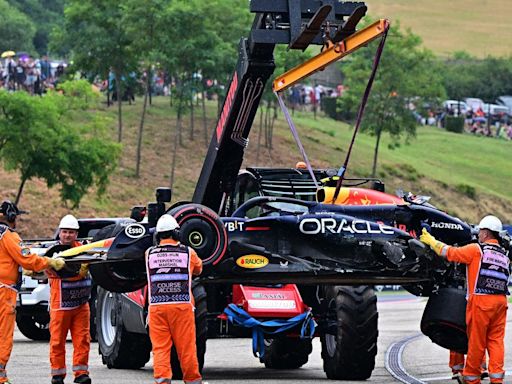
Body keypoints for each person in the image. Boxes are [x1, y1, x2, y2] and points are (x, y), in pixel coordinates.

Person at [420, 215, 509, 384]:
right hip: (501, 302)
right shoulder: (504, 255)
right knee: (496, 341)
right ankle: (497, 379)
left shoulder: (477, 250)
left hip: (481, 302)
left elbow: (450, 253)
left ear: (486, 233)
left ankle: (471, 378)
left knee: (476, 342)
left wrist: (431, 241)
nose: (479, 234)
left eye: (480, 231)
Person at [0, 200, 65, 384]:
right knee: (3, 336)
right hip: (3, 292)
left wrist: (19, 267)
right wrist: (49, 263)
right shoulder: (7, 235)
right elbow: (27, 258)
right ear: (11, 217)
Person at [146, 215, 203, 384]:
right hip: (182, 307)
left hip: (157, 307)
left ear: (158, 235)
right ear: (177, 233)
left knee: (160, 348)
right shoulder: (188, 252)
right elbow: (199, 269)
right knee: (186, 348)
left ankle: (162, 380)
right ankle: (192, 380)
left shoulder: (149, 253)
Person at [47, 215, 92, 384]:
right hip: (60, 305)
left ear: (76, 234)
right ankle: (57, 375)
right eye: (65, 232)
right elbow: (46, 271)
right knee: (57, 341)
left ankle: (81, 373)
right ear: (59, 233)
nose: (67, 235)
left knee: (82, 340)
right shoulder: (52, 253)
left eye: (71, 232)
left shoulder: (84, 250)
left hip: (81, 304)